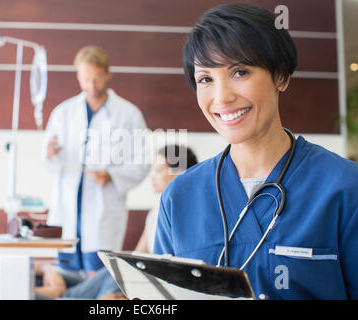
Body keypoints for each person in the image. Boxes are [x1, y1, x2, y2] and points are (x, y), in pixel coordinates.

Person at [153, 3, 358, 300]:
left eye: (240, 72)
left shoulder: (344, 187)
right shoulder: (179, 197)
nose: (222, 97)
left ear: (281, 77)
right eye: (206, 79)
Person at [42, 46, 150, 278]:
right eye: (86, 79)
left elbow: (142, 162)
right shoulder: (63, 112)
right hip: (67, 206)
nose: (91, 85)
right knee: (63, 276)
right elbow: (48, 161)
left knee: (98, 278)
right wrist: (50, 153)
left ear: (108, 74)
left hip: (104, 207)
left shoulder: (129, 115)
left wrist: (111, 175)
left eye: (97, 79)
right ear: (78, 76)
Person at [55, 144, 198, 299]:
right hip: (141, 272)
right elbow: (138, 254)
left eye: (158, 171)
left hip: (155, 279)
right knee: (107, 273)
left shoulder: (185, 212)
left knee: (83, 293)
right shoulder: (156, 209)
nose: (153, 177)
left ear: (180, 173)